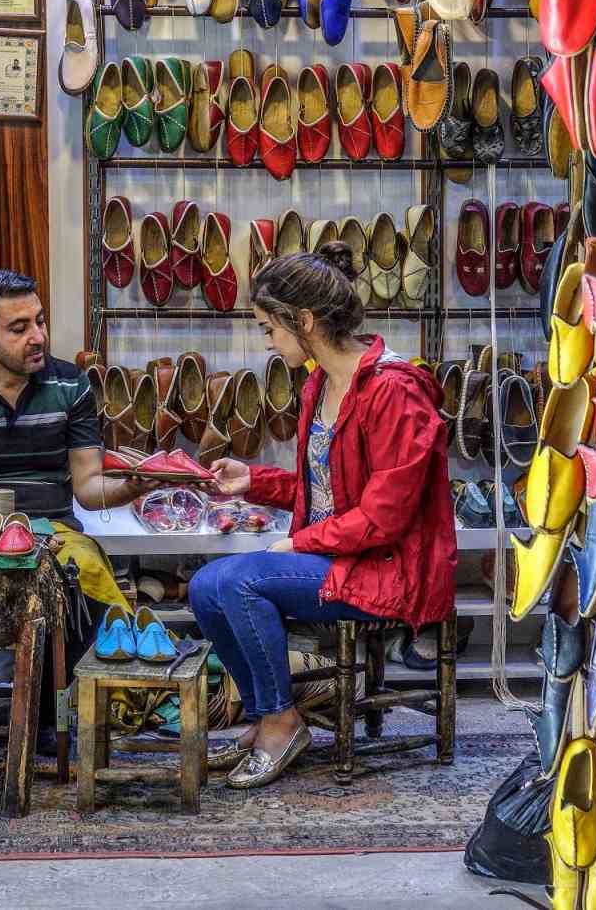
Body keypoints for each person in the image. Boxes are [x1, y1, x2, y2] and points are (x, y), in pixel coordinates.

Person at [193, 242, 457, 789]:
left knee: (241, 582)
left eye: (270, 328)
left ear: (304, 320)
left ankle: (282, 721)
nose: (268, 341)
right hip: (341, 553)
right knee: (203, 586)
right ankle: (271, 713)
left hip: (386, 566)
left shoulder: (394, 391)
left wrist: (300, 545)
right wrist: (255, 479)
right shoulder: (320, 382)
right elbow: (329, 489)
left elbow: (385, 516)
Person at [0, 269, 154, 757]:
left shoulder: (70, 385)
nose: (38, 336)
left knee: (77, 571)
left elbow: (86, 487)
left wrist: (133, 487)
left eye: (39, 321)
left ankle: (45, 713)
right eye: (19, 328)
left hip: (55, 529)